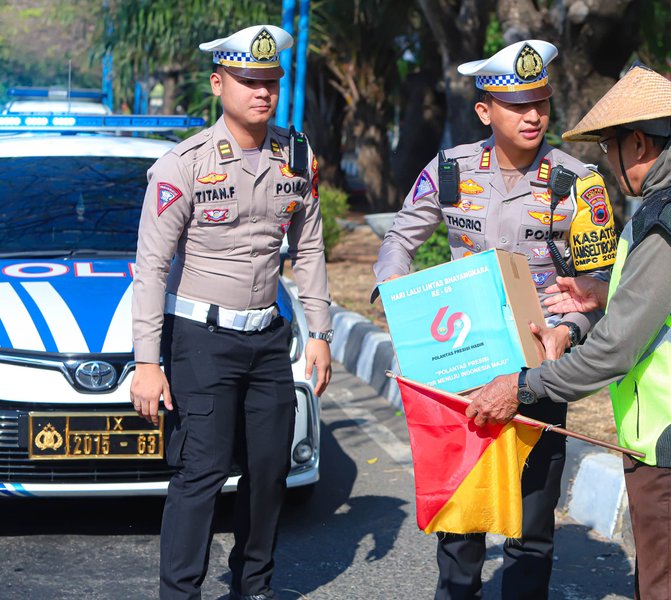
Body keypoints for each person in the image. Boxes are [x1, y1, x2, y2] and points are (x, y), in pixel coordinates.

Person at [467, 63, 671, 600]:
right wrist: (602, 296)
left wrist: (525, 386)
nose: (609, 161)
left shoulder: (670, 219)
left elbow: (616, 348)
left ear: (640, 143)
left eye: (610, 148)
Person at [374, 40, 617, 600]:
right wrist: (398, 295)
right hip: (460, 370)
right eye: (517, 105)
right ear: (485, 111)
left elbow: (596, 292)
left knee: (532, 530)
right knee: (461, 524)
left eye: (542, 103)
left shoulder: (577, 182)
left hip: (538, 370)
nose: (533, 116)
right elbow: (399, 239)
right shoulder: (451, 171)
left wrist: (566, 333)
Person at [129, 25, 333, 600]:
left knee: (270, 472)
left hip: (268, 335)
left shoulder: (298, 157)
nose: (262, 92)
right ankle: (181, 592)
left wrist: (319, 331)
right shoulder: (184, 165)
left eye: (270, 81)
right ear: (219, 83)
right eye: (248, 81)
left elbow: (310, 248)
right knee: (202, 471)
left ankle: (254, 587)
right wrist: (148, 362)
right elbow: (150, 268)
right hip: (201, 338)